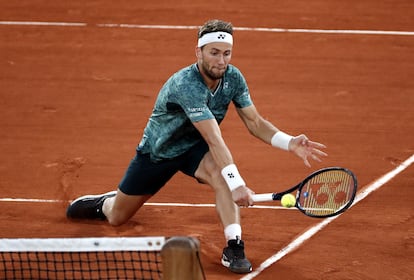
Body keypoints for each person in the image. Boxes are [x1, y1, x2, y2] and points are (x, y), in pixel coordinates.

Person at [66, 19, 327, 274]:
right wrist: (238, 185)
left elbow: (255, 122)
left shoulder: (233, 78)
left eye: (226, 53)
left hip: (195, 149)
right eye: (214, 53)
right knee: (117, 218)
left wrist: (288, 141)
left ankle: (234, 246)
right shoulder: (185, 85)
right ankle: (106, 203)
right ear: (199, 52)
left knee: (221, 176)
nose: (221, 61)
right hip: (158, 152)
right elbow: (215, 138)